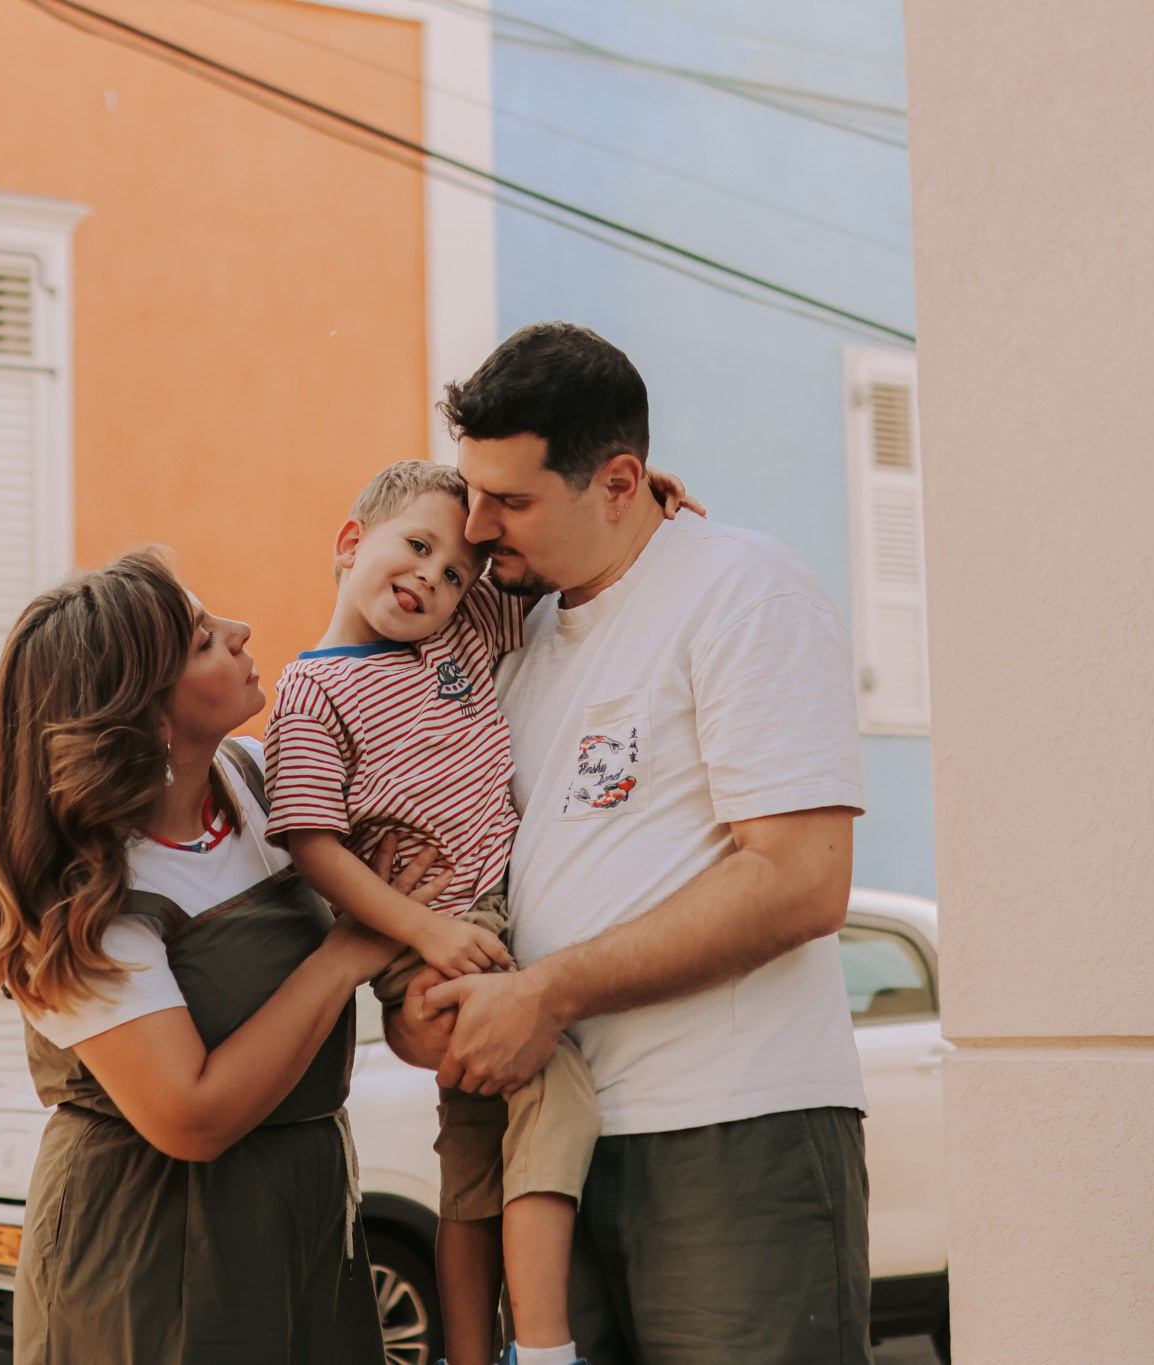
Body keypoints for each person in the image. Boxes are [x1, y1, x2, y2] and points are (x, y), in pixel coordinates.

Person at [391, 322, 873, 1365]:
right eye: (472, 492)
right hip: (547, 1146)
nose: (475, 527)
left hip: (733, 1130)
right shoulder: (504, 639)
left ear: (619, 484)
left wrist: (546, 994)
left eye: (509, 502)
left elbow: (798, 880)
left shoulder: (745, 591)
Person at [0, 548, 436, 1365]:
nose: (242, 633)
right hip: (153, 1251)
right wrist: (347, 954)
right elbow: (191, 1115)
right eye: (205, 640)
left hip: (306, 1220)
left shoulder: (254, 783)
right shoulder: (80, 888)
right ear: (150, 718)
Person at [266, 460, 701, 1365]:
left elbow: (549, 564)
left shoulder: (461, 639)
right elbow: (310, 842)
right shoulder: (309, 691)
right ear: (351, 544)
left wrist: (631, 496)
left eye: (457, 570)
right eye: (417, 548)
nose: (436, 576)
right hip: (423, 938)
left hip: (488, 924)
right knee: (554, 1086)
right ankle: (542, 1349)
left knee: (470, 1166)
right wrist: (421, 931)